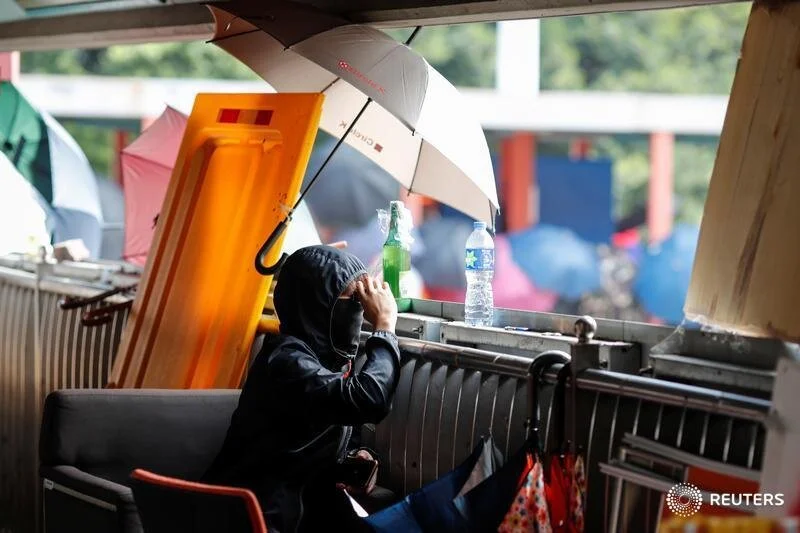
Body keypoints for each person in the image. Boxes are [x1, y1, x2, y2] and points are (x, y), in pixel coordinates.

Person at [202, 245, 400, 532]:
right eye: (353, 300)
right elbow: (368, 400)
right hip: (257, 514)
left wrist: (355, 457)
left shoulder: (327, 362)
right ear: (318, 304)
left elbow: (318, 434)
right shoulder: (286, 361)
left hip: (302, 508)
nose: (359, 311)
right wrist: (384, 326)